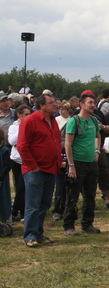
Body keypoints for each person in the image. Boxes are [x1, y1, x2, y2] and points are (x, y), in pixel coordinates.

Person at [16, 93, 61, 247]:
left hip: (51, 168)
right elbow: (22, 145)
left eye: (55, 102)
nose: (55, 105)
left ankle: (38, 233)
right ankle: (29, 236)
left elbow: (55, 142)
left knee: (44, 204)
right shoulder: (30, 121)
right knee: (33, 204)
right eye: (51, 102)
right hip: (35, 170)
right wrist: (33, 165)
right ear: (41, 105)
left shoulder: (53, 120)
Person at [62, 93, 103, 236]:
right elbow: (68, 144)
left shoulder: (93, 120)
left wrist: (97, 151)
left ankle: (87, 224)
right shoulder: (74, 121)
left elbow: (98, 135)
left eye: (94, 102)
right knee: (72, 196)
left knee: (90, 196)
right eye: (90, 102)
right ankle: (68, 225)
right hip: (77, 164)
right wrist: (71, 165)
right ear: (81, 105)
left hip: (91, 164)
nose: (93, 105)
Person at [8, 105, 31, 222]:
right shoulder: (14, 127)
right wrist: (21, 127)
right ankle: (18, 211)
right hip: (16, 160)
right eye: (26, 114)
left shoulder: (31, 125)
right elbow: (12, 141)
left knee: (24, 187)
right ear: (19, 115)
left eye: (29, 114)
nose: (28, 116)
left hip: (27, 160)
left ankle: (17, 211)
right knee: (19, 187)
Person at [0, 129, 11, 224]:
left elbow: (8, 165)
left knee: (3, 199)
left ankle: (4, 219)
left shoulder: (4, 150)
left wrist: (1, 177)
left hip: (1, 179)